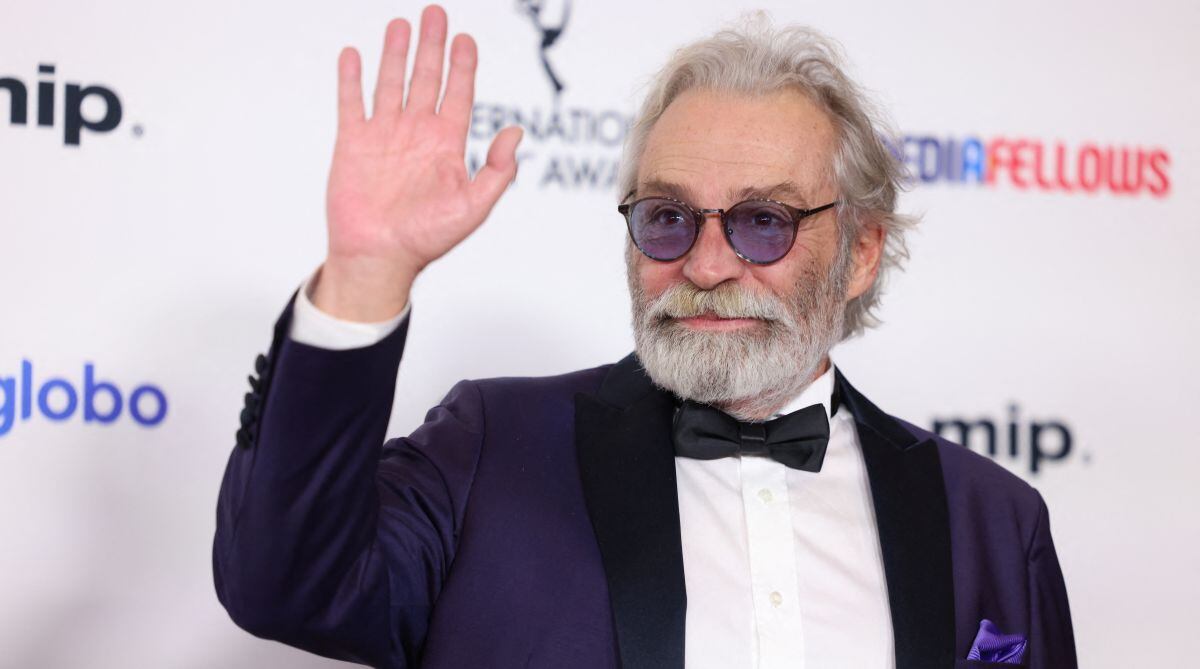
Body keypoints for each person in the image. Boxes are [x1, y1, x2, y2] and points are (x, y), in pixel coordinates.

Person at [213, 5, 1076, 669]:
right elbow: (286, 582)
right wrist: (367, 274)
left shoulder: (993, 519)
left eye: (762, 222)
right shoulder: (488, 448)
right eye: (667, 218)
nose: (705, 265)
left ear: (860, 253)